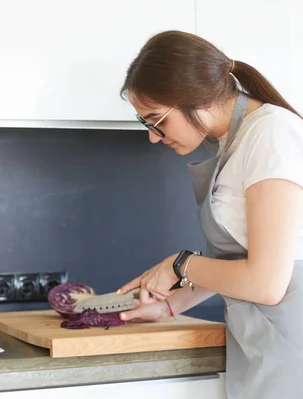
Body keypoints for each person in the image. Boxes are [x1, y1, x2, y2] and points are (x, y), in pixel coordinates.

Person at [115, 30, 303, 398]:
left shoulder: (271, 134)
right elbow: (237, 261)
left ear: (196, 99)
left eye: (157, 120)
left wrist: (179, 265)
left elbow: (265, 283)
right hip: (266, 349)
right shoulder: (238, 141)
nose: (154, 137)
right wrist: (172, 306)